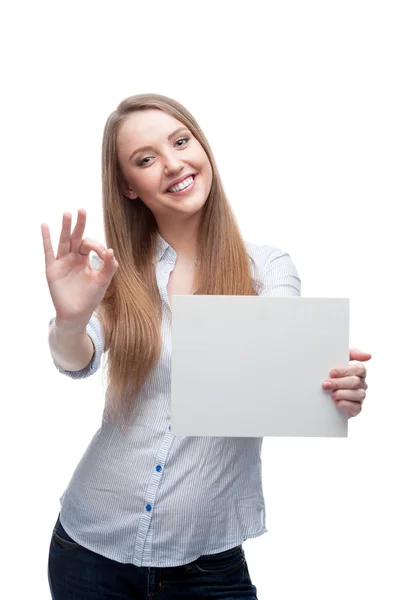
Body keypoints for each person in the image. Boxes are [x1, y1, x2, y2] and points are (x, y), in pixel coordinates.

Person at [42, 93, 371, 599]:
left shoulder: (268, 270)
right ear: (129, 187)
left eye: (180, 141)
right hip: (88, 551)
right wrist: (70, 319)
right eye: (146, 159)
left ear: (203, 147)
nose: (173, 163)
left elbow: (286, 382)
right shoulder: (116, 273)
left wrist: (333, 391)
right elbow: (75, 358)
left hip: (208, 570)